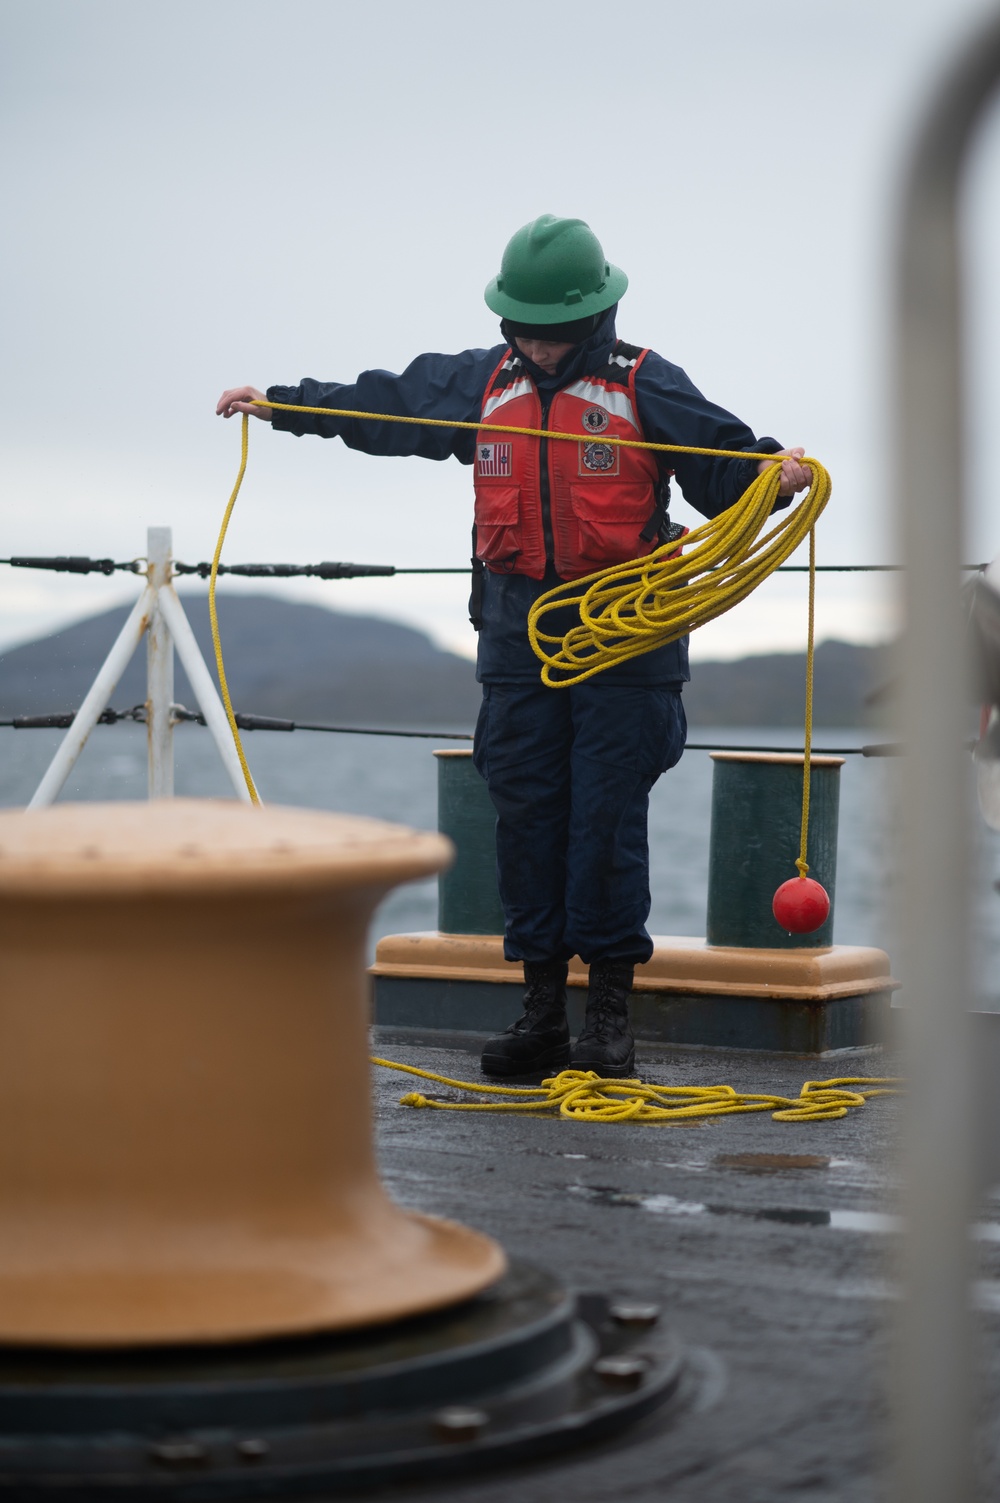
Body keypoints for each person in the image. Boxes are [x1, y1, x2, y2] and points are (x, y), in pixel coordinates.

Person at [217, 214, 811, 1080]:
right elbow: (387, 406)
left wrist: (772, 473)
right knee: (526, 816)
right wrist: (283, 406)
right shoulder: (481, 381)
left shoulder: (646, 382)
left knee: (605, 820)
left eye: (552, 330)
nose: (536, 344)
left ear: (592, 317)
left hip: (627, 639)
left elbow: (724, 466)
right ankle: (540, 1009)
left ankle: (608, 1014)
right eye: (522, 328)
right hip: (517, 640)